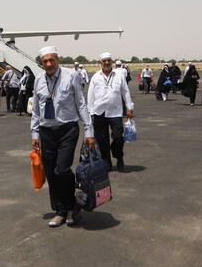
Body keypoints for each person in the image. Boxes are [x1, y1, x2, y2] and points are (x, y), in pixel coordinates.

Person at [31, 46, 95, 228]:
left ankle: (73, 206)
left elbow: (81, 104)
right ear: (42, 63)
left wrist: (89, 131)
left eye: (52, 60)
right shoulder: (38, 80)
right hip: (46, 131)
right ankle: (60, 210)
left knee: (62, 169)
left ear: (58, 60)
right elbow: (36, 110)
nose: (49, 64)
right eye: (45, 61)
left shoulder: (71, 76)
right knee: (50, 172)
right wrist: (35, 133)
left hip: (67, 129)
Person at [87, 52, 134, 172]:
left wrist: (129, 108)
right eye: (104, 61)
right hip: (99, 113)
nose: (107, 63)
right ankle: (106, 162)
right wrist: (89, 112)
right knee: (102, 141)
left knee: (118, 138)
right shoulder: (96, 77)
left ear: (111, 61)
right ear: (100, 63)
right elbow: (90, 95)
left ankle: (118, 156)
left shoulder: (119, 75)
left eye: (109, 60)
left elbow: (125, 91)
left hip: (116, 112)